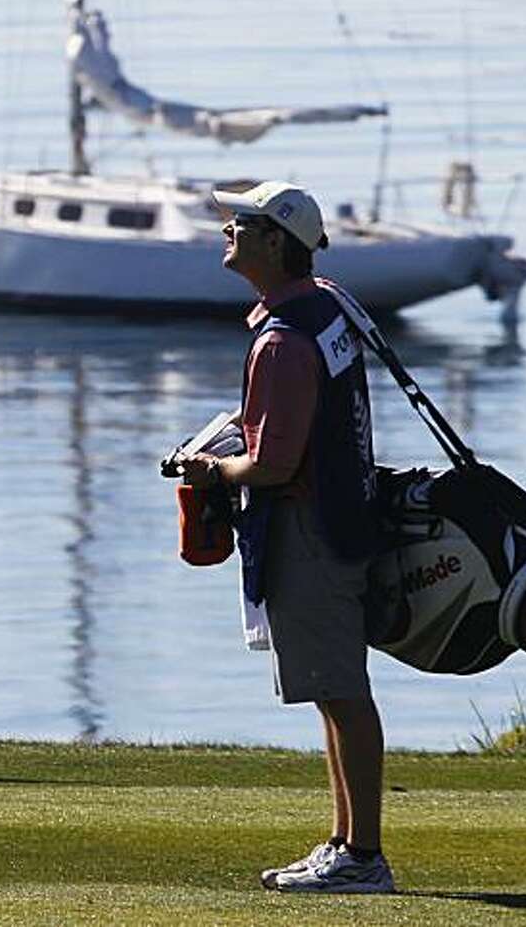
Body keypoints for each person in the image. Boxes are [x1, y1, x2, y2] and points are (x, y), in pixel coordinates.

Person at [179, 181, 394, 894]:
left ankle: (363, 856)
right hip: (343, 514)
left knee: (341, 691)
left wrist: (209, 467)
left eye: (241, 223)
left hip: (310, 528)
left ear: (276, 242)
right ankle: (345, 842)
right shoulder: (322, 304)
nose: (227, 231)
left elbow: (271, 463)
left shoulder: (281, 339)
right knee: (335, 691)